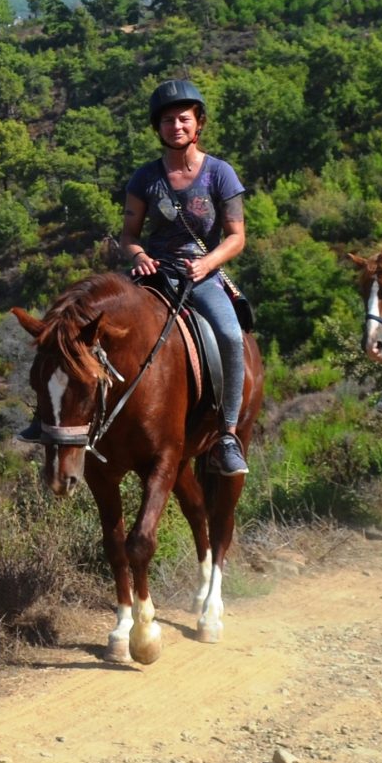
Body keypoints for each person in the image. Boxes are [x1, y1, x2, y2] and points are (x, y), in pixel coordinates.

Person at [117, 78, 251, 475]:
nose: (176, 126)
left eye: (184, 119)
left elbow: (236, 236)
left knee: (228, 335)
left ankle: (227, 433)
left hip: (201, 276)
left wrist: (208, 263)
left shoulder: (219, 174)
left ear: (198, 123)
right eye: (168, 120)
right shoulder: (145, 178)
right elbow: (128, 236)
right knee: (102, 326)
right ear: (157, 128)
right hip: (155, 274)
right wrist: (139, 255)